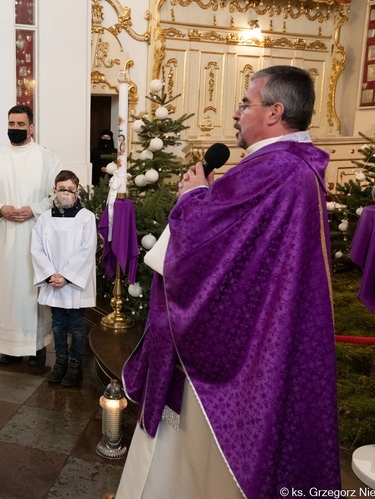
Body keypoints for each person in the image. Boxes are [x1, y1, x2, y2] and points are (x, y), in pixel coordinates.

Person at [117, 66, 340, 498]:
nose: (236, 113)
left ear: (275, 111)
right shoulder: (290, 167)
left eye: (245, 103)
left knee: (203, 474)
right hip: (262, 334)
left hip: (236, 356)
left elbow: (205, 252)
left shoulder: (275, 170)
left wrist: (193, 199)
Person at [0, 105, 62, 366]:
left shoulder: (48, 159)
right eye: (11, 124)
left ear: (31, 128)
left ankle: (37, 346)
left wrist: (33, 209)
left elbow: (59, 194)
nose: (15, 129)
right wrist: (0, 208)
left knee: (32, 290)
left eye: (21, 125)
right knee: (5, 290)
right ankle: (9, 348)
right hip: (4, 238)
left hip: (35, 235)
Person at [31, 170, 97, 387]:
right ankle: (60, 361)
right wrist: (51, 274)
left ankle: (75, 365)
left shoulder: (85, 217)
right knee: (58, 325)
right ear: (54, 190)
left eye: (70, 189)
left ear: (77, 191)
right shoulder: (44, 218)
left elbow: (87, 250)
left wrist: (66, 277)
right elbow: (37, 249)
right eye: (62, 189)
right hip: (53, 280)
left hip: (74, 283)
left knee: (77, 326)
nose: (66, 193)